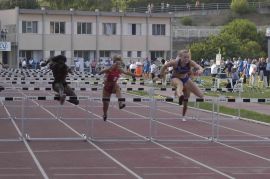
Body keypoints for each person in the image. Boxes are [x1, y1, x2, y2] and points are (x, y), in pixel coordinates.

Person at [159, 49, 204, 121]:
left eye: (188, 57)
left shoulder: (190, 62)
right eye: (185, 57)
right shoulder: (175, 62)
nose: (186, 59)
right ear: (180, 57)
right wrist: (161, 74)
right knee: (180, 84)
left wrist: (200, 70)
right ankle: (180, 96)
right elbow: (164, 66)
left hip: (186, 79)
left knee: (200, 95)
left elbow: (199, 67)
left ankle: (183, 116)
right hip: (175, 78)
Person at [99, 55, 139, 121]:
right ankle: (105, 114)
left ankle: (120, 103)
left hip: (114, 86)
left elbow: (126, 72)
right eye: (118, 64)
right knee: (105, 104)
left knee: (117, 87)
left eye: (120, 64)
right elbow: (100, 72)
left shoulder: (119, 70)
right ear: (114, 63)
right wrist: (108, 69)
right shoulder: (110, 69)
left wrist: (135, 75)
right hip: (106, 88)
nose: (119, 65)